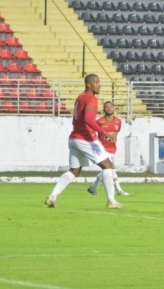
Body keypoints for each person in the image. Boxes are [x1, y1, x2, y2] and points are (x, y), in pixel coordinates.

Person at [44, 74, 122, 209]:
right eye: (96, 82)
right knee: (108, 166)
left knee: (73, 171)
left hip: (74, 138)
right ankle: (111, 201)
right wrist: (104, 133)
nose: (99, 85)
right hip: (85, 138)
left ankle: (52, 197)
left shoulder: (81, 97)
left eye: (99, 82)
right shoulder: (91, 98)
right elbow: (88, 119)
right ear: (88, 85)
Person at [87, 101, 129, 197]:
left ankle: (92, 188)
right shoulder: (99, 121)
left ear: (114, 108)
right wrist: (97, 141)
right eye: (107, 107)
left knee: (106, 171)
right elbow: (92, 132)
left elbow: (116, 133)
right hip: (102, 150)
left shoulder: (118, 121)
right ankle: (119, 190)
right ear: (103, 109)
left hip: (113, 149)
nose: (109, 108)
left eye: (111, 107)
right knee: (111, 168)